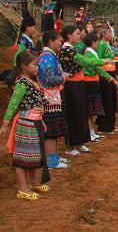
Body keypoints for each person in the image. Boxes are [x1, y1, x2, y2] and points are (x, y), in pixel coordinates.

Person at [0, 52, 51, 200]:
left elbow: (33, 105)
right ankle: (23, 188)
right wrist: (5, 125)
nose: (37, 67)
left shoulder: (30, 81)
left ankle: (33, 183)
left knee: (33, 155)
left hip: (33, 122)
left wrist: (40, 120)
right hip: (26, 123)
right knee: (23, 156)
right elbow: (13, 104)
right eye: (34, 64)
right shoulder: (22, 83)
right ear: (23, 66)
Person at [60, 25, 111, 156]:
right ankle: (71, 146)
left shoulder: (72, 48)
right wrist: (103, 61)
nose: (79, 35)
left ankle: (80, 143)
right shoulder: (67, 49)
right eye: (77, 33)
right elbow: (84, 61)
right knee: (74, 114)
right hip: (72, 85)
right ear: (69, 35)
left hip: (79, 83)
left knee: (81, 112)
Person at [38, 30, 70, 169]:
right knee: (51, 131)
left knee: (53, 130)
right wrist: (64, 77)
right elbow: (50, 79)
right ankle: (51, 161)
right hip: (50, 97)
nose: (60, 42)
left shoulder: (49, 56)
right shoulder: (48, 57)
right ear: (51, 42)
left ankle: (53, 158)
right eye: (58, 40)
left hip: (53, 96)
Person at [83, 33, 118, 142]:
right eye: (97, 42)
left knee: (92, 110)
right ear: (93, 43)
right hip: (90, 82)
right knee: (90, 110)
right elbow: (97, 67)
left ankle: (92, 132)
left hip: (94, 81)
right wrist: (111, 78)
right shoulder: (89, 53)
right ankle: (90, 132)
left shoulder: (92, 52)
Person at [96, 26, 118, 134]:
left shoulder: (107, 44)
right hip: (105, 75)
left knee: (111, 99)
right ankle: (104, 126)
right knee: (107, 100)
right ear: (103, 34)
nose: (111, 34)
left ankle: (110, 124)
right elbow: (98, 60)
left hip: (111, 73)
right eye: (109, 32)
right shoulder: (101, 44)